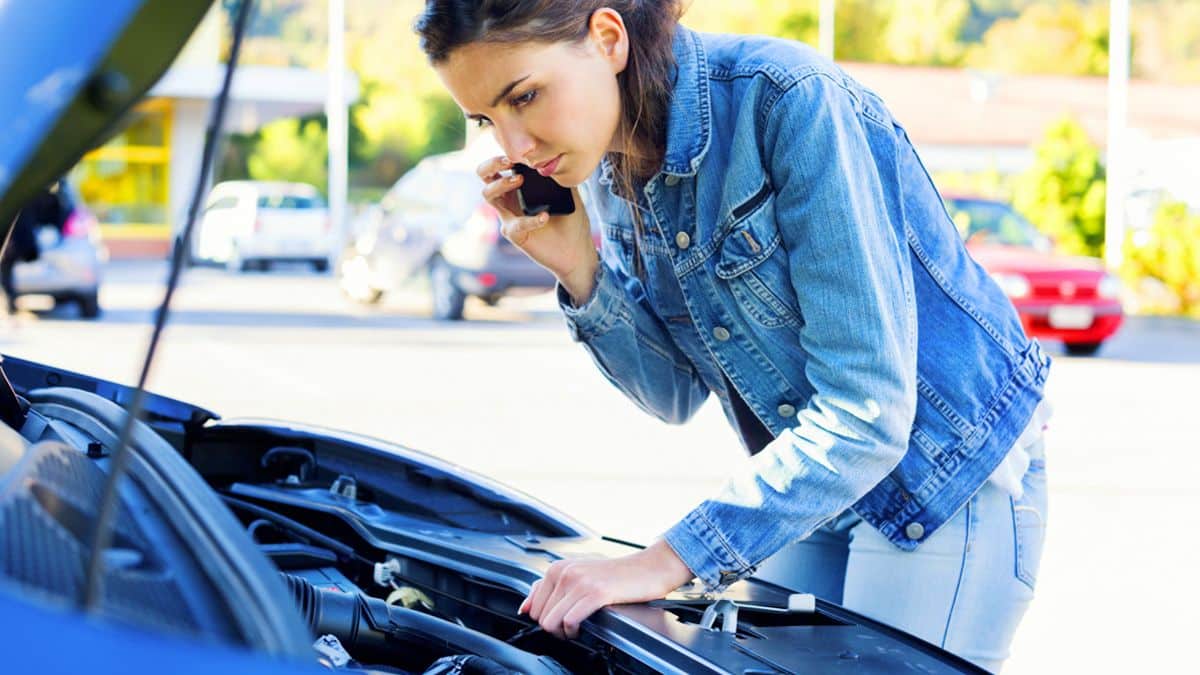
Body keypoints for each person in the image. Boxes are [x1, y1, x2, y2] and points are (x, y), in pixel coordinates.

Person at [416, 2, 1051, 670]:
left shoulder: (789, 101)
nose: (516, 149)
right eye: (489, 119)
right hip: (816, 479)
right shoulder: (610, 166)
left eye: (525, 97)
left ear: (607, 38)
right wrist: (580, 268)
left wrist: (664, 561)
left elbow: (869, 412)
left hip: (941, 478)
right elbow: (671, 393)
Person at [1, 182, 58, 315]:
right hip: (24, 242)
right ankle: (10, 303)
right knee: (7, 269)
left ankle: (10, 303)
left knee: (6, 269)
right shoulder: (33, 192)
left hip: (19, 242)